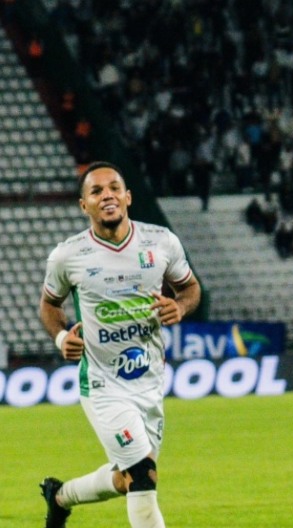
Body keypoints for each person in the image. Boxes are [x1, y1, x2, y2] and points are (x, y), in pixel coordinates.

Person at [38, 162, 201, 528]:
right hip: (103, 385)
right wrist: (62, 336)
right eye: (96, 191)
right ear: (84, 205)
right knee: (143, 474)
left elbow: (190, 288)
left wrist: (180, 306)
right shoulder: (68, 255)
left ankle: (60, 497)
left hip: (149, 380)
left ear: (128, 197)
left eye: (114, 188)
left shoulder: (161, 242)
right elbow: (49, 304)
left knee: (128, 478)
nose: (107, 195)